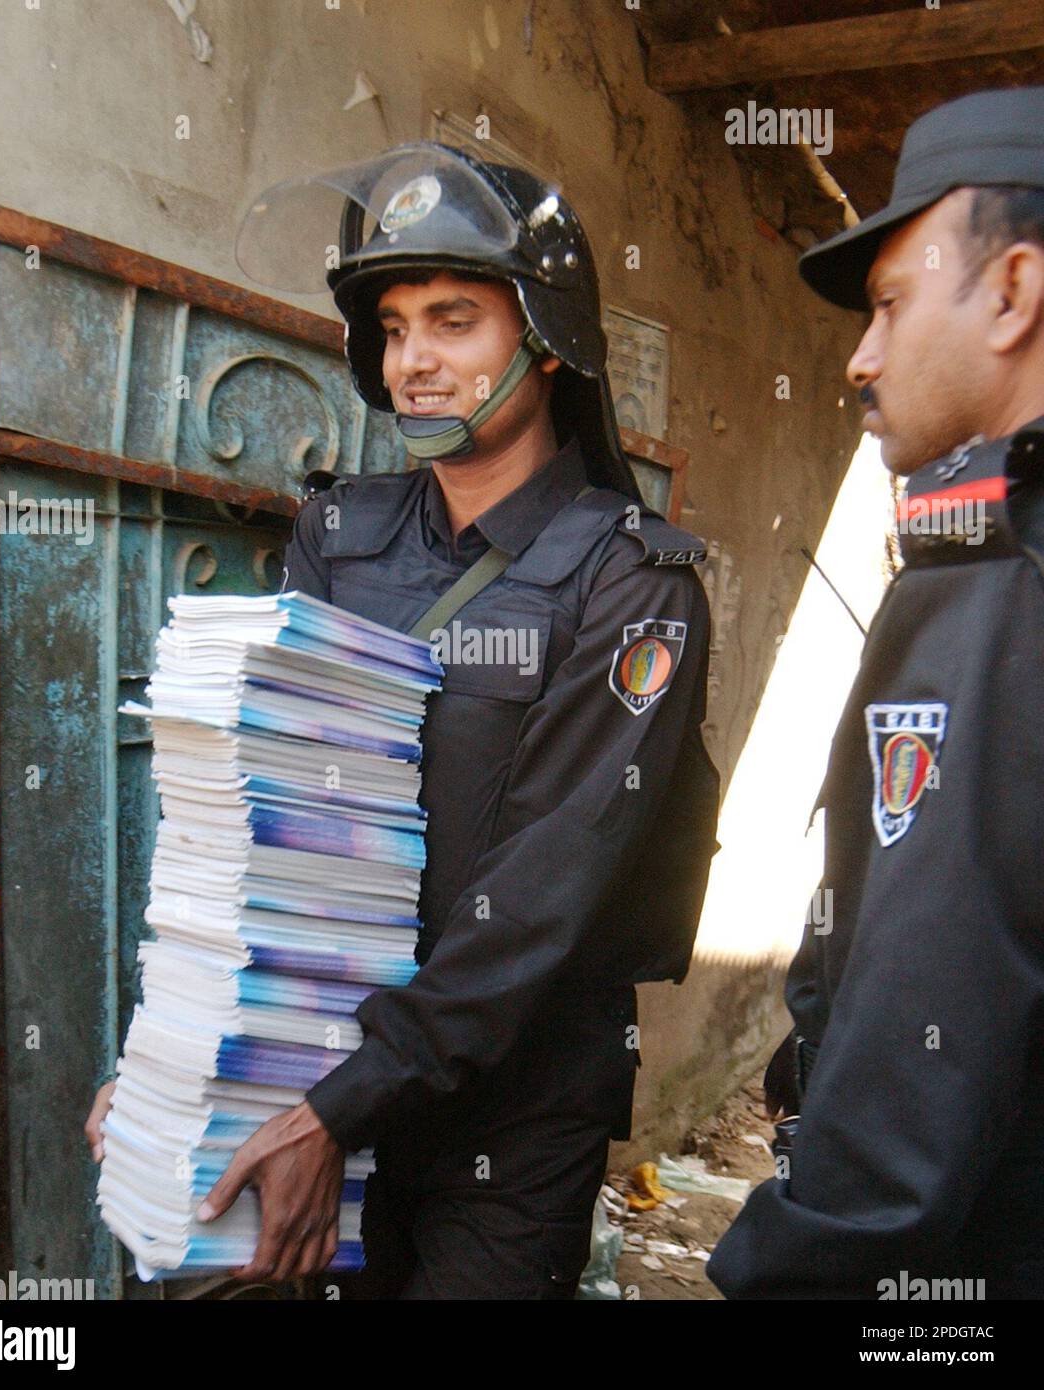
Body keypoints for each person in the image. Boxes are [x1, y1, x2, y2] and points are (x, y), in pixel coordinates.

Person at [86, 142, 720, 1299]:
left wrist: (336, 1106)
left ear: (543, 337)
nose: (415, 361)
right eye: (392, 328)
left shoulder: (634, 582)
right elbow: (268, 832)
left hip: (510, 1117)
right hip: (328, 1075)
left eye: (453, 320)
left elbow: (542, 897)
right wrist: (183, 1058)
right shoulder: (343, 536)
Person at [708, 87, 1044, 1300]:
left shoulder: (1002, 583)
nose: (859, 355)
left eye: (891, 305)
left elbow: (924, 1041)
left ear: (1011, 293)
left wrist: (777, 1269)